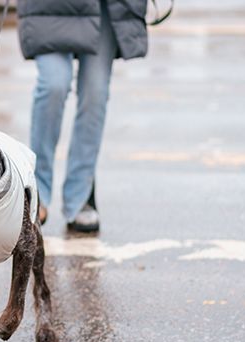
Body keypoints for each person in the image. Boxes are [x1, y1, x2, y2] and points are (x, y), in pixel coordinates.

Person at [17, 0, 148, 232]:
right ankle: (37, 191)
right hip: (49, 7)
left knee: (95, 94)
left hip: (105, 7)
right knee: (53, 84)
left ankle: (80, 195)